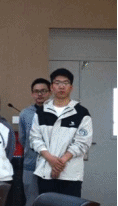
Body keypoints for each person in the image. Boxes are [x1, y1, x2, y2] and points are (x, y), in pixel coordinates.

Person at [30, 68, 92, 198]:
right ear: (52, 87)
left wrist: (60, 162)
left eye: (65, 83)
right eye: (57, 83)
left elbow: (82, 143)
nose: (61, 86)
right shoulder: (41, 112)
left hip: (71, 174)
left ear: (71, 87)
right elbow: (35, 139)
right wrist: (51, 159)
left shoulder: (81, 113)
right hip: (45, 172)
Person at [18, 77, 51, 206]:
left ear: (49, 92)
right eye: (36, 91)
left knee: (50, 205)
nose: (40, 94)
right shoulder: (25, 114)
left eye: (43, 91)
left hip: (51, 166)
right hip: (30, 166)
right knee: (31, 204)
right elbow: (23, 139)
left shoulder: (56, 112)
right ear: (32, 94)